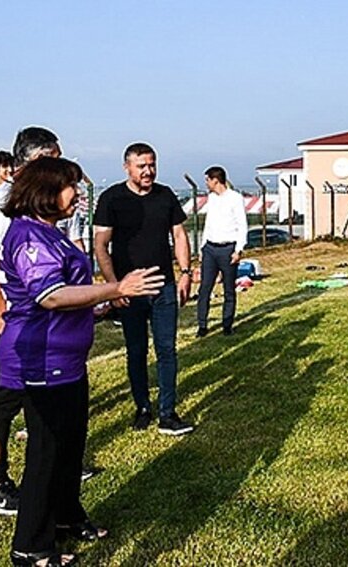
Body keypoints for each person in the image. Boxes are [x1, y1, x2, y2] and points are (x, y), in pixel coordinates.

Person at [0, 156, 164, 566]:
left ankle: (66, 517)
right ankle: (31, 547)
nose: (78, 194)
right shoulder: (28, 237)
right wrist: (112, 288)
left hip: (67, 361)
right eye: (72, 186)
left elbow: (69, 293)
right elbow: (48, 296)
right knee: (46, 452)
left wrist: (99, 304)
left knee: (70, 446)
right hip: (41, 360)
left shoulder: (52, 234)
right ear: (46, 192)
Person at [93, 142, 194, 435]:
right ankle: (142, 407)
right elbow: (101, 245)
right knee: (136, 350)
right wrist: (115, 288)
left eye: (152, 165)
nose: (148, 171)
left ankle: (167, 412)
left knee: (167, 350)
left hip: (164, 286)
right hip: (130, 290)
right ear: (127, 167)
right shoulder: (112, 198)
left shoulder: (165, 196)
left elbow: (179, 233)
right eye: (142, 166)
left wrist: (185, 273)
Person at [0, 127, 63, 516]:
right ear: (35, 160)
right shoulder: (6, 202)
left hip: (41, 324)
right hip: (12, 320)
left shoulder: (43, 198)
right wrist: (2, 314)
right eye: (54, 157)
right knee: (3, 399)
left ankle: (56, 472)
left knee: (39, 400)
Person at [196, 166, 247, 337]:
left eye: (207, 180)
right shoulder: (212, 199)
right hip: (210, 248)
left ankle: (227, 324)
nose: (206, 184)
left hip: (228, 248)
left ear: (215, 180)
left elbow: (242, 225)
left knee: (228, 289)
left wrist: (238, 249)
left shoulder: (235, 198)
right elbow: (208, 223)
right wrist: (203, 247)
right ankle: (202, 325)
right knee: (205, 288)